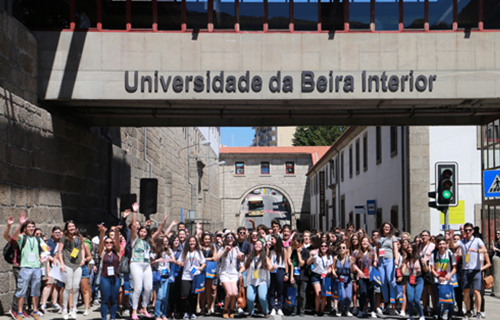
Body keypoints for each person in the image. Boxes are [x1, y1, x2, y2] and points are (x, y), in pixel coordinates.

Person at [10, 214, 50, 320]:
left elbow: (44, 247)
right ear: (25, 228)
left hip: (36, 268)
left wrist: (46, 251)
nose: (31, 228)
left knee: (36, 292)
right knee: (21, 291)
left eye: (33, 226)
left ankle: (35, 311)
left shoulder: (38, 239)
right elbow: (15, 235)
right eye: (29, 226)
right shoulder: (22, 238)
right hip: (25, 268)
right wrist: (20, 224)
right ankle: (19, 312)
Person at [448, 224, 488, 320]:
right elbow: (453, 246)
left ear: (473, 230)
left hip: (476, 270)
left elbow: (484, 249)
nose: (468, 232)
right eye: (466, 230)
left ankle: (478, 312)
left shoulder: (477, 240)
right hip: (465, 270)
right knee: (465, 292)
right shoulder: (462, 241)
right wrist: (450, 238)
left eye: (469, 230)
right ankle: (468, 311)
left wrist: (476, 250)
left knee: (476, 291)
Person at [58, 220, 86, 320]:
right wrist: (61, 264)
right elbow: (59, 252)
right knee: (68, 286)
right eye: (69, 227)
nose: (71, 228)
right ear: (67, 228)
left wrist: (83, 258)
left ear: (76, 227)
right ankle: (65, 308)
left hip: (78, 264)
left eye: (73, 226)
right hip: (68, 264)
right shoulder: (64, 237)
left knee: (76, 287)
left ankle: (74, 308)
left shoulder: (79, 237)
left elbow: (82, 248)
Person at [214, 232, 244, 318]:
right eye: (228, 237)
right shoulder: (222, 248)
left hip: (234, 273)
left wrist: (241, 255)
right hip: (224, 273)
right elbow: (216, 258)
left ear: (234, 239)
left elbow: (241, 260)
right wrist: (224, 250)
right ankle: (225, 309)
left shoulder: (236, 248)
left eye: (231, 237)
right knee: (229, 293)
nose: (230, 238)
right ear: (226, 239)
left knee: (235, 293)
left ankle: (231, 310)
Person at [177, 235, 206, 319]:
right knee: (184, 295)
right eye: (190, 241)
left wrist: (201, 267)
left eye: (193, 241)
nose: (192, 243)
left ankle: (192, 312)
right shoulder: (184, 252)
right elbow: (179, 261)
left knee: (193, 295)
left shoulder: (198, 252)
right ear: (188, 243)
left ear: (196, 242)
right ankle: (185, 311)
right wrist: (180, 263)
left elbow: (203, 262)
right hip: (186, 276)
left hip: (196, 276)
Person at [97, 224, 122, 320]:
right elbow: (100, 243)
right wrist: (102, 231)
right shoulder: (102, 252)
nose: (109, 244)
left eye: (111, 242)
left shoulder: (117, 252)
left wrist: (116, 231)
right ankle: (104, 318)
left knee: (114, 300)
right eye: (107, 242)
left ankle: (112, 318)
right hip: (105, 278)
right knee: (104, 299)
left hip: (115, 278)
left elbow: (118, 243)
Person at [430, 237, 457, 320]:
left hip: (448, 281)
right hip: (437, 280)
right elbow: (432, 269)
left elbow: (455, 268)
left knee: (449, 300)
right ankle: (439, 314)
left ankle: (448, 314)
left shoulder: (450, 254)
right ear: (437, 245)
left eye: (443, 244)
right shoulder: (434, 254)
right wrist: (438, 277)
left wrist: (449, 276)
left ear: (446, 245)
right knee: (438, 300)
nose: (442, 246)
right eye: (440, 244)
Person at [375, 222, 399, 316]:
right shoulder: (379, 238)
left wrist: (396, 259)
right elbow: (376, 250)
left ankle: (396, 297)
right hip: (381, 261)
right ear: (382, 228)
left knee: (390, 280)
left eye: (388, 227)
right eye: (385, 227)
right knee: (383, 282)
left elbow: (395, 249)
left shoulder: (393, 238)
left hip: (389, 260)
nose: (387, 228)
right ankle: (386, 301)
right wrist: (375, 260)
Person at [401, 242, 429, 320]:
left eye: (411, 247)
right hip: (410, 279)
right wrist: (403, 265)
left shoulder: (420, 258)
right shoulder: (407, 259)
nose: (409, 249)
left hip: (419, 279)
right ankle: (411, 315)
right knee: (410, 299)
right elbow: (403, 272)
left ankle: (421, 315)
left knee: (417, 299)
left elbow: (426, 270)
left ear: (414, 248)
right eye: (408, 248)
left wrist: (425, 264)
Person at [152, 235, 176, 320]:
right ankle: (157, 315)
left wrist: (171, 260)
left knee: (165, 297)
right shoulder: (155, 251)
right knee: (160, 296)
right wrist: (157, 260)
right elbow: (150, 263)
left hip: (167, 275)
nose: (165, 243)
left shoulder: (169, 251)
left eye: (166, 241)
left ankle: (164, 314)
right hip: (158, 276)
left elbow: (174, 260)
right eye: (164, 241)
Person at [307, 240, 333, 316]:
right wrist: (312, 255)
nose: (323, 247)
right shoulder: (316, 255)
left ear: (327, 247)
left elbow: (330, 267)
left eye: (325, 246)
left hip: (325, 276)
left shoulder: (329, 257)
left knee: (324, 294)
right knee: (318, 293)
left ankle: (322, 311)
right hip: (316, 275)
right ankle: (316, 310)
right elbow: (308, 262)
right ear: (319, 247)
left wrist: (329, 270)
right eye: (322, 246)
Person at [40, 226, 63, 313]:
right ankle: (44, 303)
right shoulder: (48, 242)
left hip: (60, 265)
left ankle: (54, 302)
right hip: (50, 265)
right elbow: (46, 253)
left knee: (56, 285)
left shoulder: (62, 242)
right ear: (52, 233)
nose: (57, 234)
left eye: (59, 232)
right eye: (56, 232)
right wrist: (53, 260)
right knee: (49, 284)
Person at [353, 236, 377, 319]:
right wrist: (359, 271)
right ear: (360, 242)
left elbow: (375, 262)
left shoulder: (373, 252)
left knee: (371, 293)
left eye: (366, 241)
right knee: (362, 292)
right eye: (363, 241)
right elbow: (353, 263)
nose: (365, 243)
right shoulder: (356, 252)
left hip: (370, 276)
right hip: (361, 275)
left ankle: (373, 310)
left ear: (369, 242)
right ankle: (362, 310)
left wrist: (375, 264)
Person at [289, 234, 310, 316]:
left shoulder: (305, 251)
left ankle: (302, 310)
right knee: (295, 293)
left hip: (303, 275)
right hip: (295, 274)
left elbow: (302, 263)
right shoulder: (294, 251)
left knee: (302, 293)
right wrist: (291, 276)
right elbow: (292, 264)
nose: (294, 243)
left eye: (296, 242)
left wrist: (298, 253)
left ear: (300, 242)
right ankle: (295, 309)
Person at [268, 234, 287, 316]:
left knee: (280, 289)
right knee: (272, 289)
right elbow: (266, 258)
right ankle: (272, 307)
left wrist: (286, 273)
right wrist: (266, 248)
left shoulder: (283, 250)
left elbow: (286, 263)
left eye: (272, 239)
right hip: (271, 271)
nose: (271, 241)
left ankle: (279, 307)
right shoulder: (270, 250)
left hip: (280, 270)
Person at [333, 242, 353, 317]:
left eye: (343, 248)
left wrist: (351, 264)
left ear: (347, 249)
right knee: (342, 296)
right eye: (340, 248)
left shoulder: (349, 258)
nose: (341, 249)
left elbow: (352, 270)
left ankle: (347, 310)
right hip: (339, 279)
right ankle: (340, 309)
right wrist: (334, 273)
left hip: (348, 279)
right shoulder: (336, 258)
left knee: (348, 296)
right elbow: (333, 267)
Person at [419, 230, 436, 316]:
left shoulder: (433, 246)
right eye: (422, 235)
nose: (424, 237)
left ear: (429, 237)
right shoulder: (419, 245)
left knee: (431, 290)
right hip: (421, 270)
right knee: (424, 290)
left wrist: (427, 261)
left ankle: (434, 309)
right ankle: (425, 309)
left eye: (425, 235)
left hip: (429, 270)